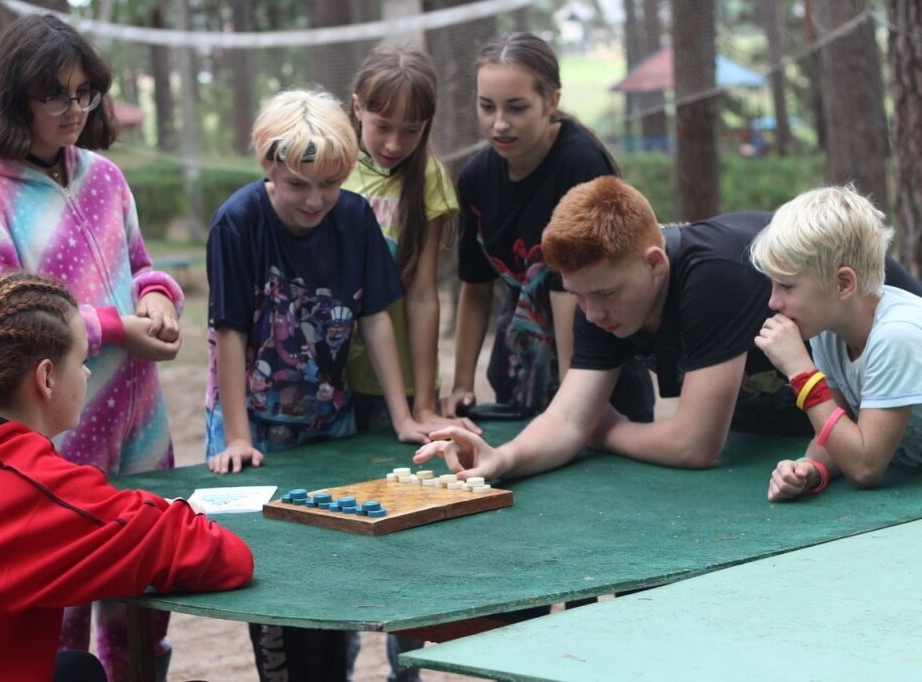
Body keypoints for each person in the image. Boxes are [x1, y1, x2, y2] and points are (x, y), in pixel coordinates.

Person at [0, 14, 184, 681]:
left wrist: (158, 300)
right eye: (57, 96)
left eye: (85, 93)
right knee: (60, 611)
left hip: (139, 415)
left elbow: (142, 265)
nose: (75, 110)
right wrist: (111, 328)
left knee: (146, 593)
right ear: (18, 100)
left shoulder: (105, 176)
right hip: (49, 432)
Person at [415, 176, 922, 480]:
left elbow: (694, 445)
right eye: (580, 296)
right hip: (825, 438)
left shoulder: (722, 276)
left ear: (655, 263)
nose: (591, 315)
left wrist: (608, 429)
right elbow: (570, 419)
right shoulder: (602, 290)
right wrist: (501, 459)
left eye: (606, 296)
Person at [0, 272, 254, 682]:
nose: (86, 375)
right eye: (83, 361)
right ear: (45, 378)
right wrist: (170, 511)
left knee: (77, 670)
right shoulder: (25, 487)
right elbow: (224, 557)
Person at [205, 88, 451, 681]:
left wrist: (401, 414)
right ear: (269, 166)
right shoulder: (238, 222)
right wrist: (236, 435)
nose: (315, 200)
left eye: (330, 185)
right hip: (257, 423)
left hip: (330, 421)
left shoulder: (354, 217)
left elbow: (376, 319)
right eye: (299, 185)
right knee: (271, 575)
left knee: (338, 565)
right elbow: (229, 333)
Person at [344, 43, 480, 682]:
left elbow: (426, 295)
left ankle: (407, 655)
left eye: (411, 128)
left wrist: (425, 399)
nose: (395, 140)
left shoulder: (425, 180)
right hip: (328, 379)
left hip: (392, 374)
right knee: (338, 517)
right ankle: (334, 646)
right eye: (382, 124)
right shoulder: (330, 166)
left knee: (402, 516)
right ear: (356, 110)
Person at [441, 32, 652, 421]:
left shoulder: (581, 164)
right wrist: (462, 386)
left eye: (517, 108)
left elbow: (575, 295)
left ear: (551, 101)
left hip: (599, 382)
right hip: (519, 379)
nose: (499, 124)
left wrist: (571, 409)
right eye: (486, 107)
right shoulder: (475, 177)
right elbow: (475, 288)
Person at [750, 186, 922, 501]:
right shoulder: (828, 330)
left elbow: (866, 466)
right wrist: (810, 467)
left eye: (787, 286)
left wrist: (800, 372)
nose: (773, 302)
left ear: (843, 283)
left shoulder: (897, 334)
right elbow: (841, 425)